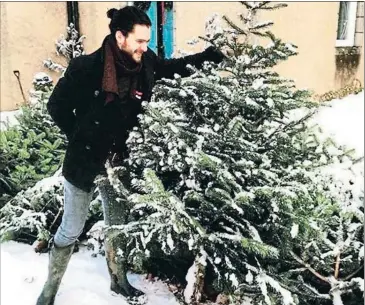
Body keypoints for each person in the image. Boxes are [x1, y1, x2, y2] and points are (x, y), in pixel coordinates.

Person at [36, 5, 224, 305]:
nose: (144, 47)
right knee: (71, 227)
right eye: (139, 41)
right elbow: (55, 107)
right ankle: (50, 289)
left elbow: (170, 68)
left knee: (117, 223)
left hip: (120, 159)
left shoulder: (145, 62)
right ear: (120, 36)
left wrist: (206, 58)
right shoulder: (86, 68)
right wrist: (81, 138)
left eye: (146, 41)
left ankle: (118, 281)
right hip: (84, 161)